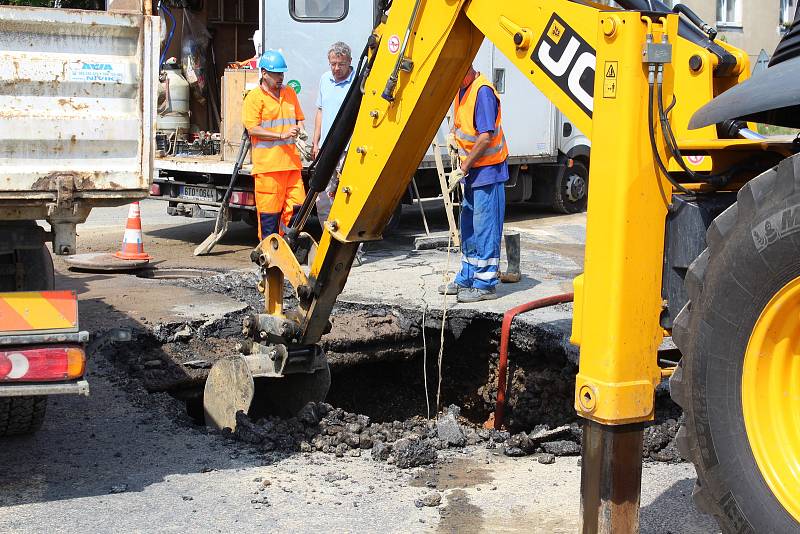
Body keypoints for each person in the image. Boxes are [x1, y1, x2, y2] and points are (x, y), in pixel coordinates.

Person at [439, 65, 509, 303]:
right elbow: (462, 124)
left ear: (466, 69)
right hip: (472, 171)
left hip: (488, 171)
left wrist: (463, 167)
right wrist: (452, 136)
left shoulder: (483, 92)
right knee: (468, 225)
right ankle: (468, 275)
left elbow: (485, 136)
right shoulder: (463, 88)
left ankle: (486, 283)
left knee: (485, 227)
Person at [242, 49, 306, 241]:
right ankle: (269, 256)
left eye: (282, 73)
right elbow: (253, 129)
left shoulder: (289, 93)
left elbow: (299, 119)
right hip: (268, 168)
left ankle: (288, 247)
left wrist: (300, 130)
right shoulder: (254, 98)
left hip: (291, 165)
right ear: (264, 73)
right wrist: (281, 134)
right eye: (276, 73)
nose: (281, 77)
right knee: (269, 216)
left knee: (297, 208)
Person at [312, 41, 355, 225]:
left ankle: (351, 246)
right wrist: (315, 142)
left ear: (350, 62)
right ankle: (326, 240)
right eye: (333, 64)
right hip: (326, 148)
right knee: (322, 196)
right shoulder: (325, 79)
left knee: (347, 196)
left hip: (348, 149)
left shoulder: (357, 82)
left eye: (341, 64)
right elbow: (320, 111)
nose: (336, 68)